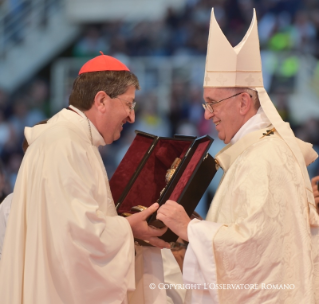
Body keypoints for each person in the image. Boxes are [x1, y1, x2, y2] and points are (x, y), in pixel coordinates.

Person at [157, 8, 319, 304]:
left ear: (244, 101)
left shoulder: (261, 159)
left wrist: (189, 228)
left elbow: (252, 249)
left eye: (213, 102)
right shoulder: (265, 149)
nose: (207, 113)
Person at [0, 54, 172, 304]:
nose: (132, 117)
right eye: (129, 104)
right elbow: (75, 239)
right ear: (101, 100)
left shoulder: (70, 140)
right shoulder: (66, 144)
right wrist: (128, 228)